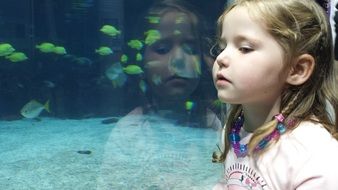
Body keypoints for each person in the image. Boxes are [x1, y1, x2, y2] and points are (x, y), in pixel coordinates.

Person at [211, 0, 338, 189]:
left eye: (245, 48)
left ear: (296, 69)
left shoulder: (314, 154)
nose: (221, 58)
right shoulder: (235, 130)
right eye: (222, 47)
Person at [122, 0, 222, 129]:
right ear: (140, 60)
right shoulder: (129, 130)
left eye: (191, 50)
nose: (178, 59)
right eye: (162, 49)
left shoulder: (217, 126)